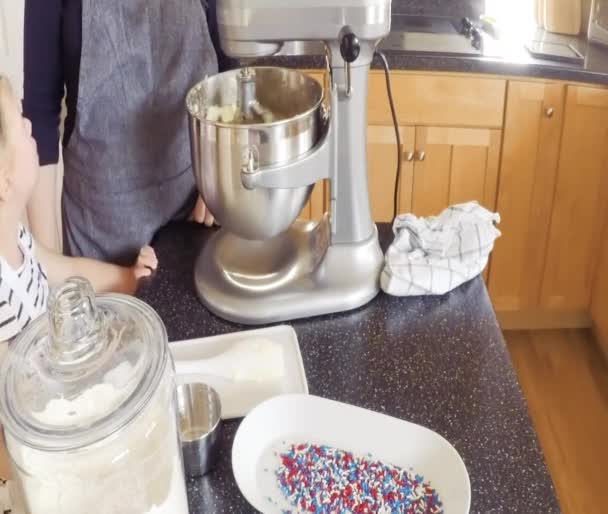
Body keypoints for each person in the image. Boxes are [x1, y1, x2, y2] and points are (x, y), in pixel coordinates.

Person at [23, 0, 230, 263]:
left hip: (195, 211)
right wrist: (49, 268)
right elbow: (39, 114)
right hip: (99, 234)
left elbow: (232, 71)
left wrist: (221, 172)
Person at [0, 76, 158, 344]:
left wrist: (127, 278)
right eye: (22, 126)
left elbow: (68, 271)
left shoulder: (18, 239)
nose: (30, 124)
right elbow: (15, 381)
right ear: (4, 182)